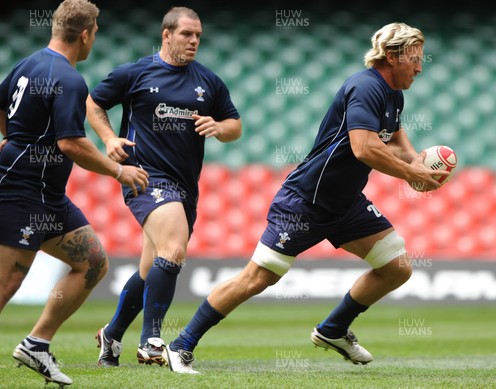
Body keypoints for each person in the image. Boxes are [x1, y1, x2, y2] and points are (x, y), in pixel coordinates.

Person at [164, 22, 450, 374]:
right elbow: (364, 148)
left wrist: (415, 160)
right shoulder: (365, 87)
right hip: (306, 201)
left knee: (396, 267)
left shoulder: (393, 94)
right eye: (415, 59)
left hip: (345, 202)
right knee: (257, 278)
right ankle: (181, 345)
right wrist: (411, 174)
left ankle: (333, 329)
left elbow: (392, 135)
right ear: (392, 56)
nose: (420, 67)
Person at [0, 0, 149, 386]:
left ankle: (36, 344)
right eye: (95, 33)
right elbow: (71, 144)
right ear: (85, 35)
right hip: (21, 192)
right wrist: (118, 169)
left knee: (94, 263)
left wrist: (11, 139)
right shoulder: (69, 80)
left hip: (48, 195)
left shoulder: (27, 63)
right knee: (6, 284)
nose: (93, 40)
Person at [86, 6, 242, 367]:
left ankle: (111, 334)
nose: (194, 41)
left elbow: (235, 125)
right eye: (187, 34)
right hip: (144, 176)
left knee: (150, 269)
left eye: (199, 36)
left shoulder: (208, 81)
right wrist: (109, 138)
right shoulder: (135, 72)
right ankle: (151, 341)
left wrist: (219, 128)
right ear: (166, 34)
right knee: (173, 250)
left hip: (185, 185)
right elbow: (93, 102)